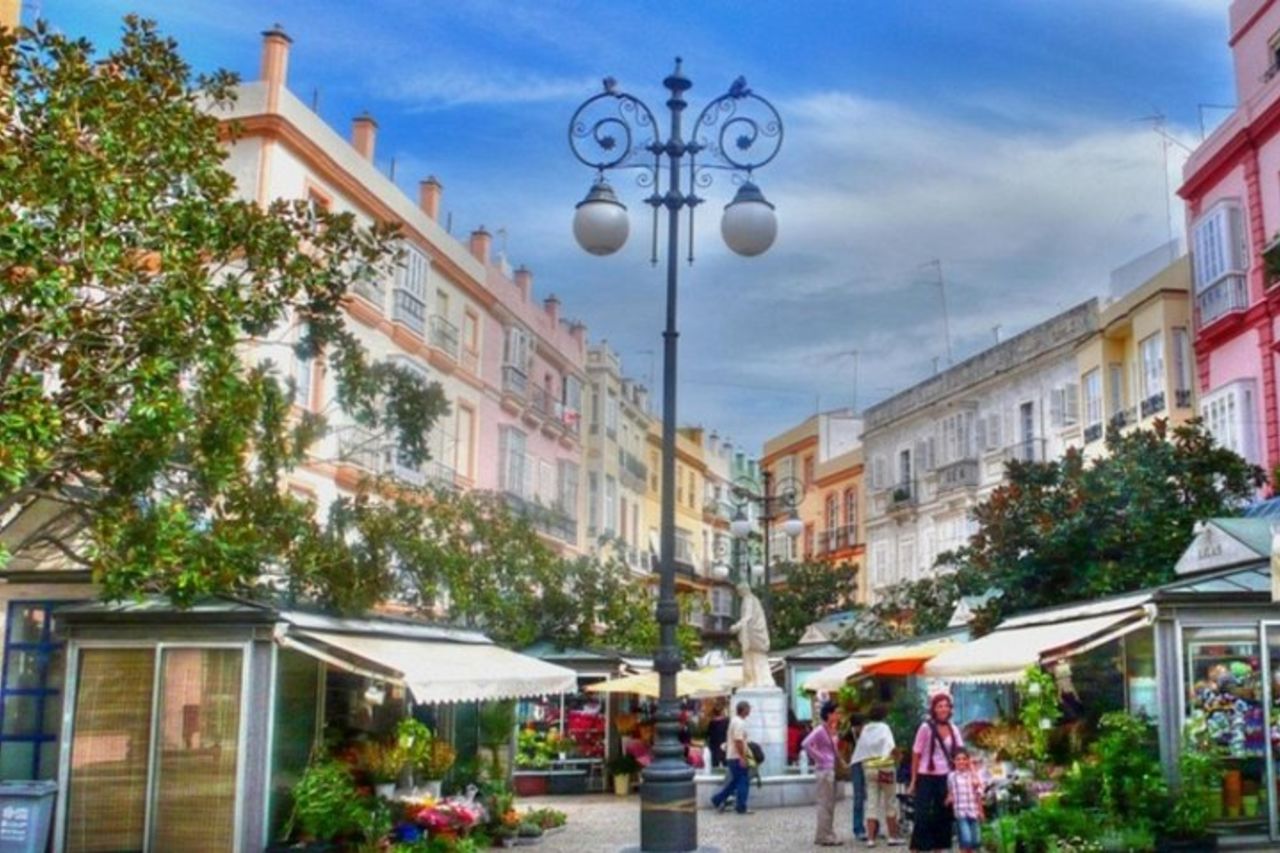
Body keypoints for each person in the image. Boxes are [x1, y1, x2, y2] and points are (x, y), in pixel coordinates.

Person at [909, 693, 963, 853]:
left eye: (946, 706)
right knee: (922, 814)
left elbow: (961, 751)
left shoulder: (953, 729)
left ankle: (938, 848)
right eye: (940, 706)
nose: (943, 709)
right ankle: (917, 848)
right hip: (926, 775)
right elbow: (916, 753)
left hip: (945, 776)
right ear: (934, 709)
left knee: (943, 813)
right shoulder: (926, 728)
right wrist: (913, 780)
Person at [852, 703, 903, 848]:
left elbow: (861, 749)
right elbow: (890, 746)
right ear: (884, 715)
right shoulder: (884, 728)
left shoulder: (866, 729)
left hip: (869, 769)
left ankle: (870, 839)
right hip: (886, 768)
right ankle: (892, 837)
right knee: (890, 802)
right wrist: (898, 759)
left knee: (872, 803)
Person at [801, 700, 844, 846]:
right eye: (836, 713)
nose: (839, 715)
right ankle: (824, 836)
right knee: (825, 803)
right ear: (829, 714)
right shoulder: (820, 730)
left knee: (829, 804)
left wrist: (840, 761)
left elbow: (833, 750)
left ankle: (826, 833)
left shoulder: (831, 729)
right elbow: (806, 744)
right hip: (824, 770)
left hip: (829, 769)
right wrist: (820, 758)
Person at [711, 700, 754, 815]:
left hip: (732, 756)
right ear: (744, 709)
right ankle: (741, 807)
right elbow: (738, 741)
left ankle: (717, 799)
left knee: (735, 782)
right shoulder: (739, 723)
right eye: (749, 708)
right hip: (736, 757)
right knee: (743, 781)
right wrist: (743, 757)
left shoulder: (734, 721)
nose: (750, 710)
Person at [732, 582, 773, 687]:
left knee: (751, 659)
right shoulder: (754, 599)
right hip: (755, 636)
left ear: (743, 590)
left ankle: (755, 682)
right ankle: (760, 681)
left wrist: (737, 626)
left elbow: (748, 617)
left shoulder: (748, 599)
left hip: (752, 636)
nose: (739, 594)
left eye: (739, 591)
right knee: (757, 660)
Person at [945, 748, 984, 853]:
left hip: (973, 811)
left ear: (968, 761)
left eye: (964, 759)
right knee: (966, 840)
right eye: (958, 759)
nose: (961, 762)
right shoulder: (951, 776)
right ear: (954, 761)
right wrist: (949, 799)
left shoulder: (973, 776)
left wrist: (980, 811)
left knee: (976, 841)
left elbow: (979, 794)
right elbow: (950, 791)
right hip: (960, 812)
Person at [846, 711, 867, 841]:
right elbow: (845, 751)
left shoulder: (866, 734)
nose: (862, 728)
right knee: (858, 796)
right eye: (860, 726)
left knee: (871, 795)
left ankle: (872, 827)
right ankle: (858, 828)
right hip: (856, 766)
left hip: (867, 764)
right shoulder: (849, 735)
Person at [708, 701, 729, 768]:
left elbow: (709, 734)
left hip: (714, 745)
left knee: (715, 762)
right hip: (724, 743)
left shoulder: (712, 722)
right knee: (726, 762)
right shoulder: (726, 721)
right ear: (722, 711)